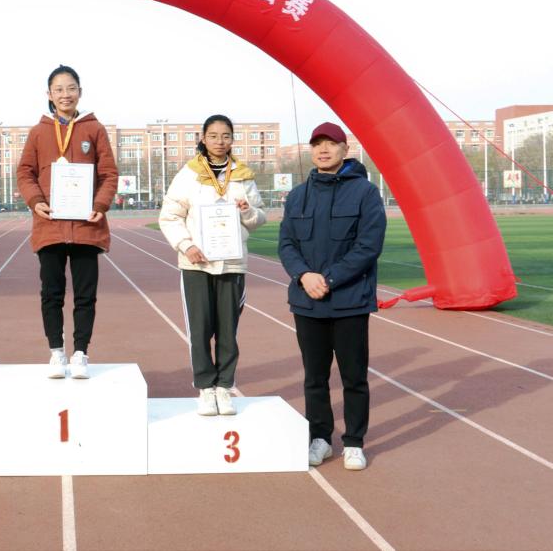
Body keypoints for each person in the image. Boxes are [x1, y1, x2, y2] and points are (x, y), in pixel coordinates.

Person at [278, 122, 386, 471]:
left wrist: (330, 278)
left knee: (354, 377)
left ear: (345, 149)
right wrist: (304, 275)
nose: (323, 150)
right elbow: (287, 244)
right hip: (307, 300)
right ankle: (320, 438)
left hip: (350, 300)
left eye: (330, 144)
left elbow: (368, 245)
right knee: (314, 377)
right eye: (317, 144)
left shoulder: (365, 193)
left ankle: (354, 442)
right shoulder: (297, 196)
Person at [159, 115, 266, 416]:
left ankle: (224, 386)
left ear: (232, 139)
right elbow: (169, 216)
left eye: (226, 135)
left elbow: (259, 218)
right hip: (197, 264)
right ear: (203, 139)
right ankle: (206, 387)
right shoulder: (188, 175)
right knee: (200, 328)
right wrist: (186, 245)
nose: (220, 141)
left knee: (228, 330)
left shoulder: (242, 176)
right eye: (214, 135)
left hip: (232, 263)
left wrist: (247, 211)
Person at [17, 65, 118, 379]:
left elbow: (109, 174)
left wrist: (100, 204)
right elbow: (25, 173)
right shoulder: (38, 132)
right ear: (49, 95)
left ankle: (80, 353)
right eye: (59, 89)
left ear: (80, 92)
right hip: (50, 226)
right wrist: (36, 201)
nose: (65, 94)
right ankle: (56, 352)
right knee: (52, 293)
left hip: (87, 226)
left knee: (86, 295)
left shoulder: (94, 129)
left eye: (71, 88)